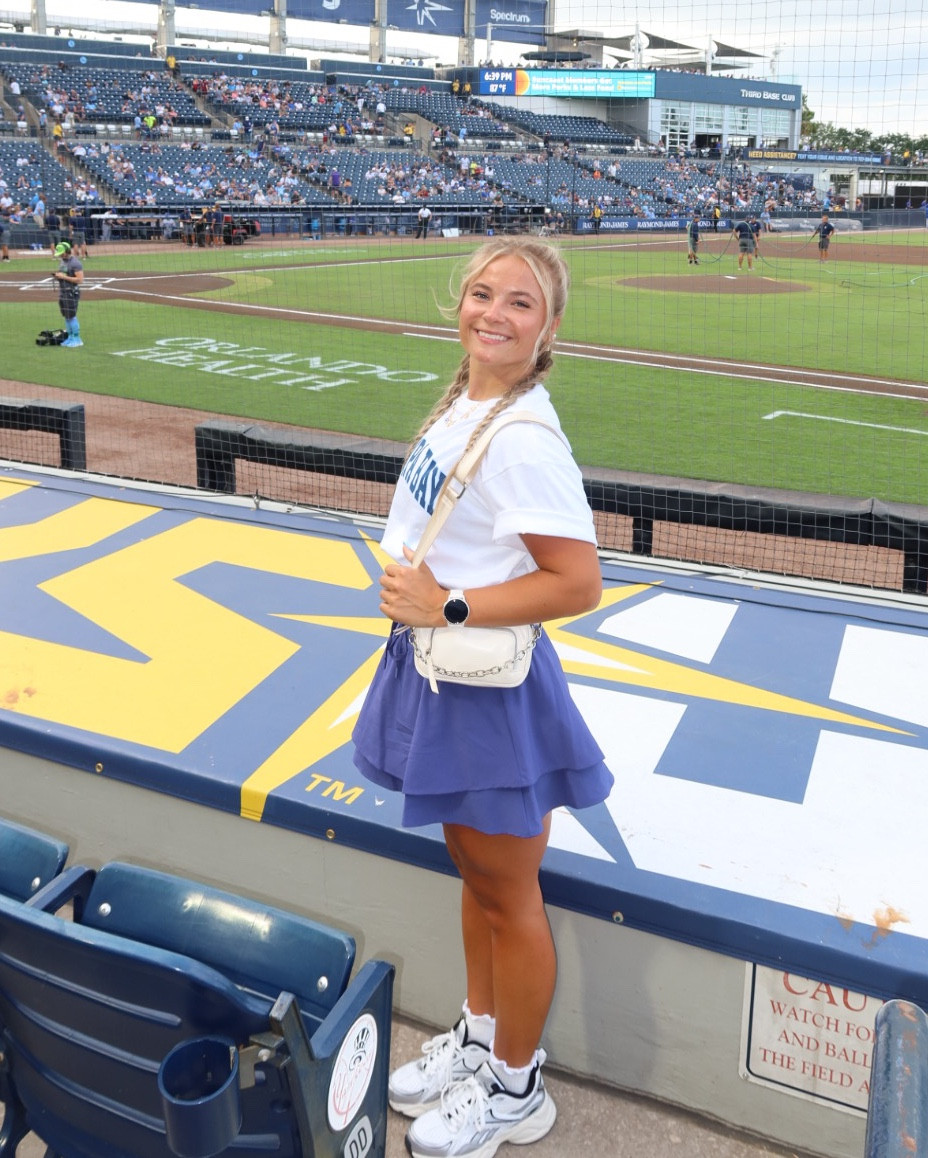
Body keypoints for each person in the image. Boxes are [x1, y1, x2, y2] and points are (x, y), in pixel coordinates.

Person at [352, 237, 613, 1158]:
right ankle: (477, 1036)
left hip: (485, 688)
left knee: (510, 893)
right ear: (457, 301)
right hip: (439, 666)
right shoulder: (468, 401)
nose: (492, 315)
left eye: (519, 305)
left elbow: (578, 583)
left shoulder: (526, 443)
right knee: (479, 879)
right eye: (481, 294)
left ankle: (514, 1085)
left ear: (547, 330)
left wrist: (448, 602)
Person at [53, 240, 84, 347]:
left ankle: (77, 339)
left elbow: (80, 280)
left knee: (72, 316)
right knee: (66, 316)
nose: (60, 255)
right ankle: (70, 337)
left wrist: (63, 277)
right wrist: (58, 276)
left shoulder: (75, 263)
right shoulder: (63, 261)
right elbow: (63, 274)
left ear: (67, 251)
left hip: (71, 293)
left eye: (62, 253)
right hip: (63, 292)